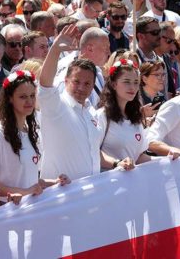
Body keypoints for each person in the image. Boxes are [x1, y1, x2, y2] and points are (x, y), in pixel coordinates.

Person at [39, 24, 133, 181]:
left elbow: (93, 152)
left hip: (90, 197)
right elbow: (45, 83)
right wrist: (55, 50)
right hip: (59, 197)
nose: (81, 88)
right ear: (66, 79)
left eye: (87, 83)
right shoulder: (56, 105)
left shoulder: (91, 112)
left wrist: (116, 163)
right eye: (76, 82)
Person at [0, 70, 70, 203]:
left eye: (32, 95)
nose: (29, 101)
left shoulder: (31, 131)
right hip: (6, 210)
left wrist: (55, 182)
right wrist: (26, 192)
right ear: (10, 99)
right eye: (22, 97)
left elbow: (29, 180)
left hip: (29, 209)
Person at [97, 59, 149, 165]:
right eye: (126, 82)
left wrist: (168, 158)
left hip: (132, 180)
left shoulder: (135, 117)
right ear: (114, 84)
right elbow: (93, 152)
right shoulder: (102, 116)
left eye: (136, 82)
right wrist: (117, 163)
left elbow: (138, 157)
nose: (132, 87)